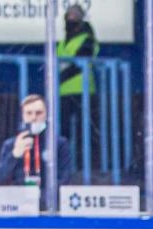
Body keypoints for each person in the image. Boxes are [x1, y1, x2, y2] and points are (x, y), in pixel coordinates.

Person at [0, 93, 71, 201]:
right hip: (17, 206)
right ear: (23, 116)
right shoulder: (11, 144)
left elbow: (65, 180)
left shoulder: (59, 144)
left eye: (39, 113)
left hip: (49, 206)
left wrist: (38, 199)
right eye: (29, 113)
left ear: (47, 115)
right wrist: (15, 155)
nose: (34, 118)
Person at [56, 2, 97, 173]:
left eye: (74, 16)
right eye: (68, 16)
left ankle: (84, 168)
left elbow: (78, 63)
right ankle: (65, 166)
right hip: (64, 92)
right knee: (64, 132)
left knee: (84, 132)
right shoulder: (64, 40)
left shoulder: (87, 37)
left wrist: (59, 78)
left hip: (83, 91)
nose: (70, 19)